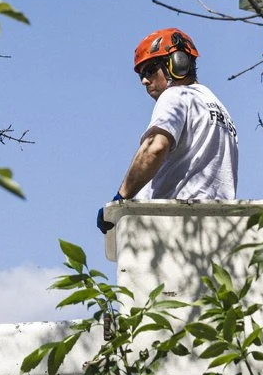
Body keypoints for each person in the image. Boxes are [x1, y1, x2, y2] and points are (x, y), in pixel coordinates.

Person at [97, 29, 238, 233]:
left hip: (175, 227)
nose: (144, 80)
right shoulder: (218, 107)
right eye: (141, 75)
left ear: (177, 63)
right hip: (217, 228)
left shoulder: (175, 95)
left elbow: (155, 147)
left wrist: (120, 198)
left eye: (149, 70)